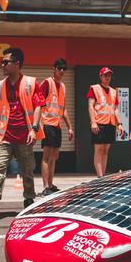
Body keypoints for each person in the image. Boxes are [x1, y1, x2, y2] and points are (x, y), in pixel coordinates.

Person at [0, 48, 45, 221]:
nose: (2, 64)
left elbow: (38, 106)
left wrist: (34, 129)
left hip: (25, 135)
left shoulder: (30, 83)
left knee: (27, 170)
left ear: (17, 64)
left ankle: (29, 200)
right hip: (4, 134)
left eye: (6, 62)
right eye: (2, 62)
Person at [39, 58, 74, 196]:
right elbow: (38, 103)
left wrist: (70, 127)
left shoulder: (63, 86)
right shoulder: (47, 83)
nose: (62, 71)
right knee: (46, 156)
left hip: (57, 125)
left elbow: (63, 109)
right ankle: (45, 186)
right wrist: (37, 123)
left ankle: (51, 184)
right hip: (47, 123)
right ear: (54, 68)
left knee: (54, 156)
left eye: (64, 68)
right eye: (59, 68)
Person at [87, 67, 123, 177]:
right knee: (99, 149)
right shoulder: (94, 88)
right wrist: (93, 122)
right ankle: (100, 176)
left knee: (106, 149)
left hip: (110, 123)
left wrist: (119, 124)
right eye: (105, 75)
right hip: (99, 123)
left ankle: (103, 175)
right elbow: (90, 106)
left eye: (109, 75)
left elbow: (116, 109)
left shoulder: (113, 91)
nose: (107, 77)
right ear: (101, 76)